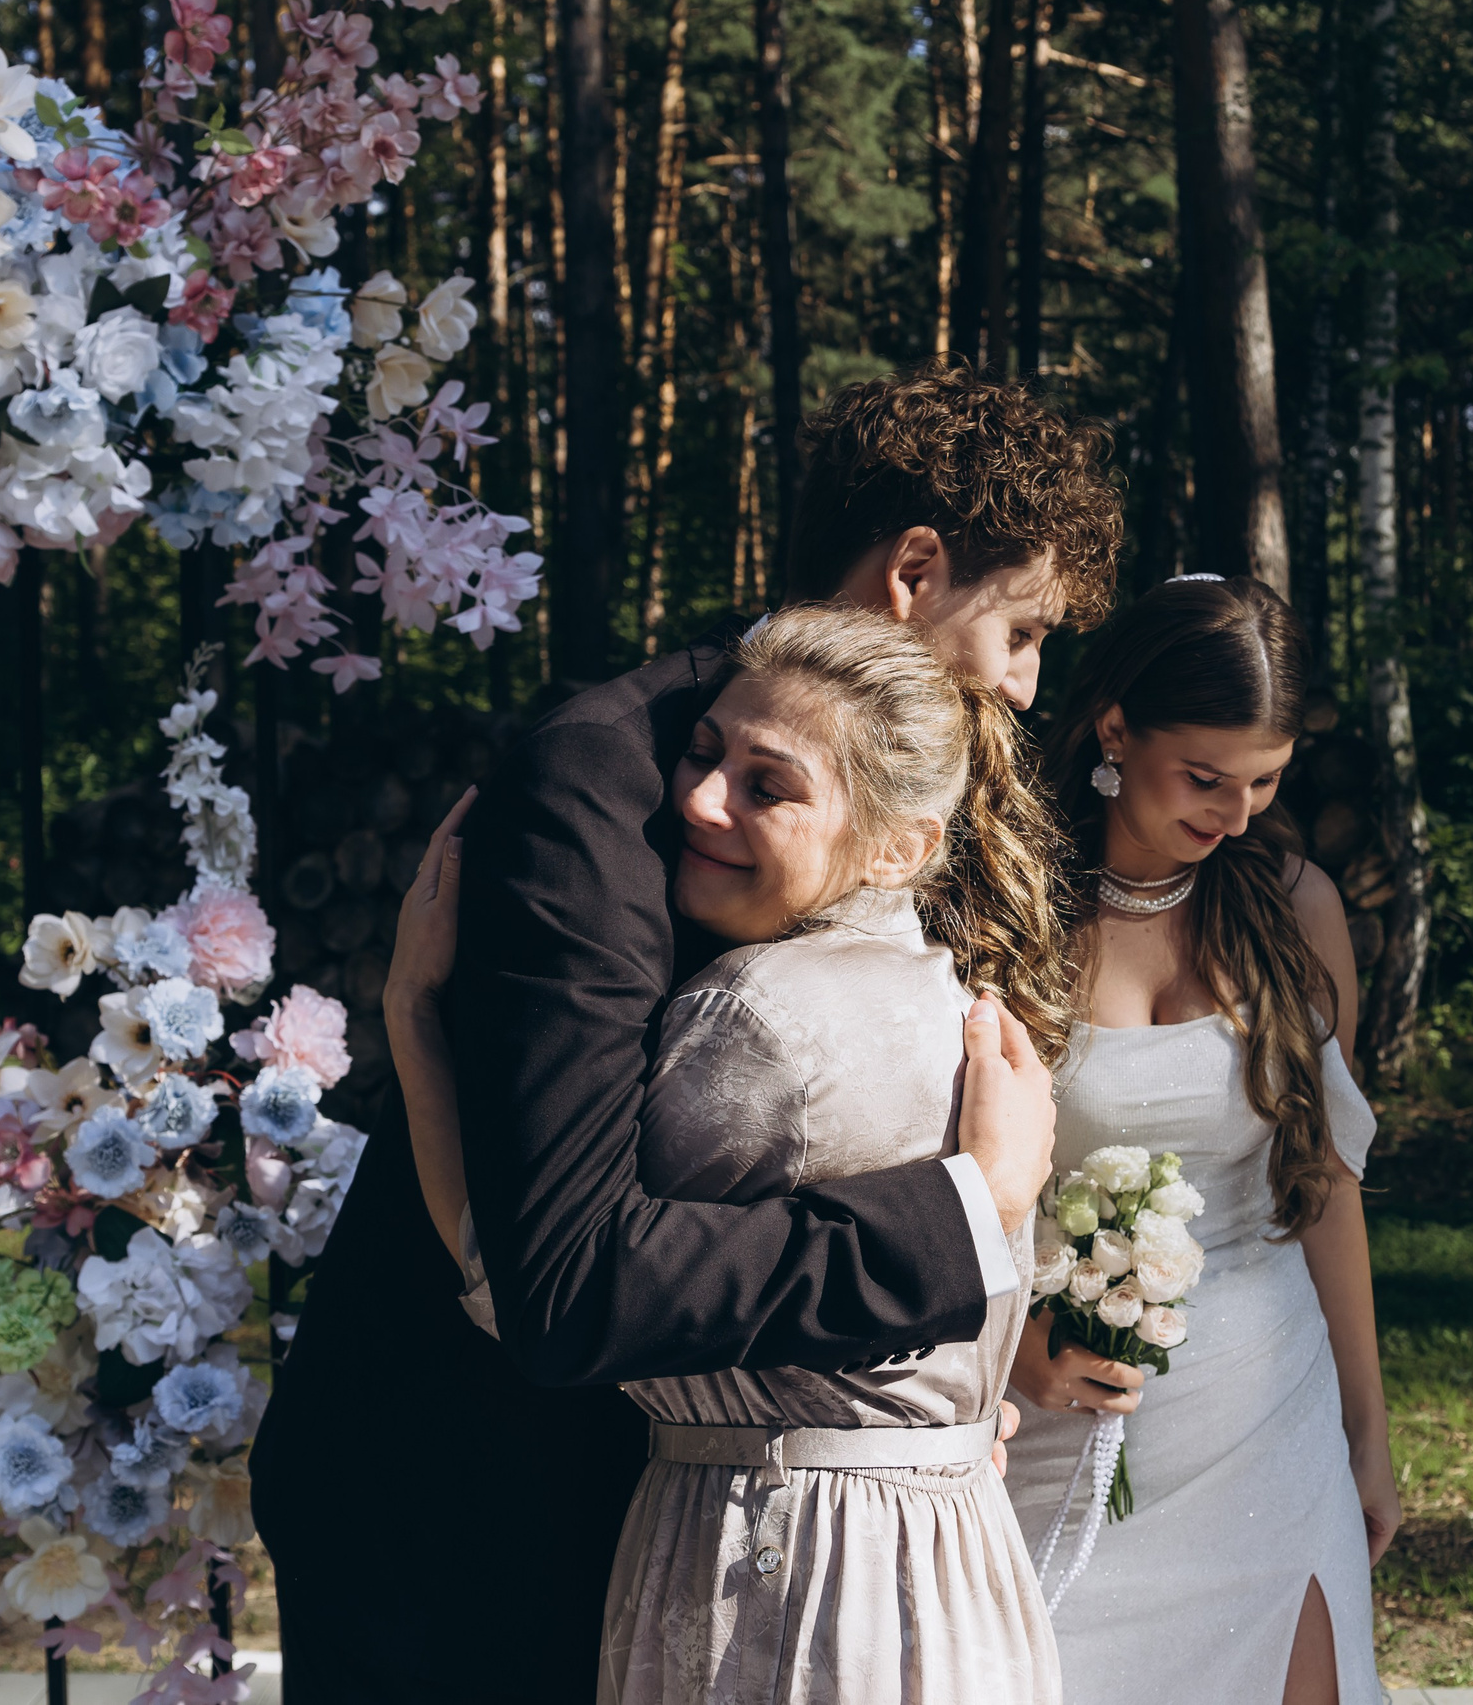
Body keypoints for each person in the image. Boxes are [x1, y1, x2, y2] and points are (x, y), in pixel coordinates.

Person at [251, 359, 1123, 1704]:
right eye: (1020, 631)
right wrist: (954, 1220)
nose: (1021, 686)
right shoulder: (604, 779)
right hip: (462, 1514)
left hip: (698, 1513)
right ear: (914, 569)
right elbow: (575, 1270)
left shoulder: (885, 791)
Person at [390, 606, 1068, 1704]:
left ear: (901, 846)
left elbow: (541, 1293)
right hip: (955, 1573)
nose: (698, 800)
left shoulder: (755, 1015)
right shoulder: (955, 1004)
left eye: (770, 784)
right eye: (703, 754)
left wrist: (416, 1021)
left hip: (790, 1578)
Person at [1001, 575, 1400, 1705]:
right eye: (1204, 777)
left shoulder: (1291, 904)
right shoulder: (1013, 907)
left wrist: (1366, 1432)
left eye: (1264, 780)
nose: (1233, 814)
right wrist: (1016, 1341)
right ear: (1115, 727)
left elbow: (1321, 1183)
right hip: (1062, 1408)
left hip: (1269, 1403)